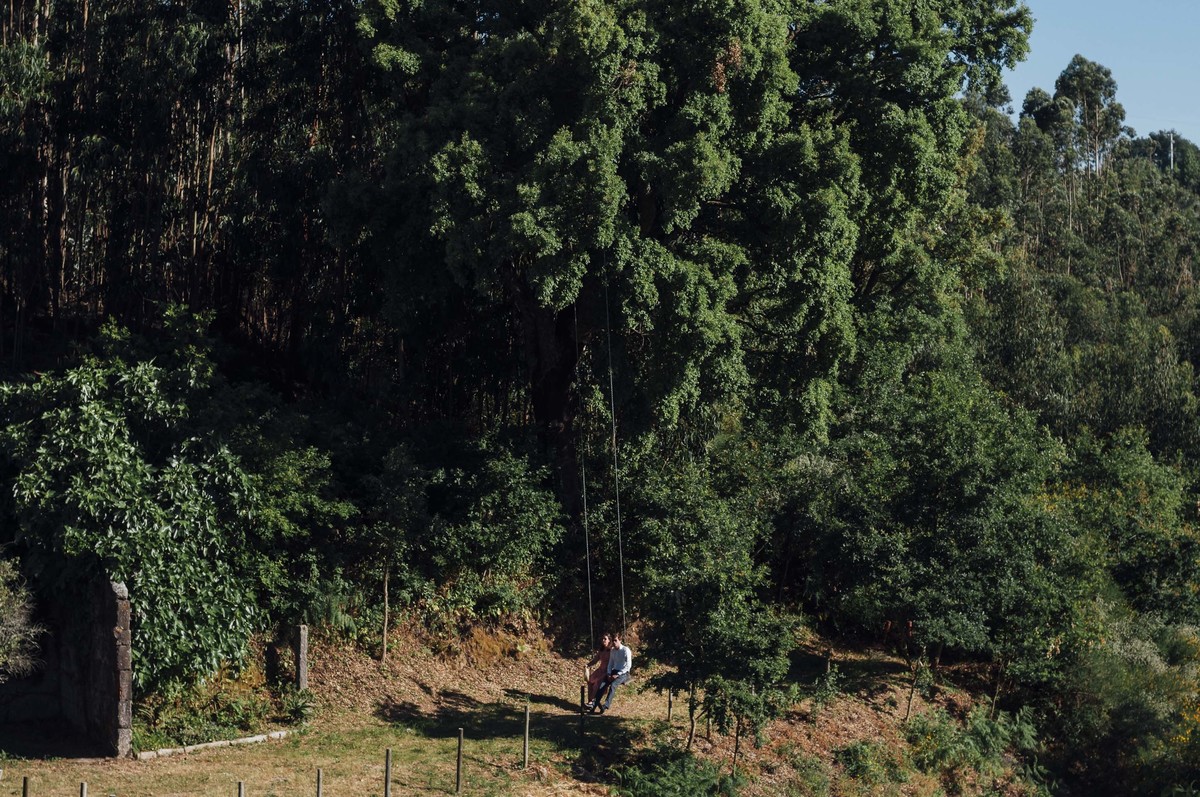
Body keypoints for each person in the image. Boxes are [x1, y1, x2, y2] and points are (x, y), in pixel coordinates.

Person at [590, 631, 631, 714]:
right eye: (613, 641)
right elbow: (610, 664)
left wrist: (618, 674)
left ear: (620, 640)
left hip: (624, 673)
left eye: (616, 640)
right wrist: (609, 674)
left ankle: (606, 705)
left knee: (613, 685)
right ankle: (593, 705)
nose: (614, 643)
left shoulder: (625, 650)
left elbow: (628, 666)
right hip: (614, 671)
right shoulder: (613, 651)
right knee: (602, 685)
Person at [584, 633, 612, 705]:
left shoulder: (612, 651)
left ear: (609, 640)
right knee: (590, 680)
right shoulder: (601, 650)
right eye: (602, 639)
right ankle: (589, 700)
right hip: (600, 669)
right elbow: (595, 660)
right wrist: (588, 665)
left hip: (607, 671)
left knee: (597, 683)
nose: (603, 640)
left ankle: (592, 701)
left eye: (605, 639)